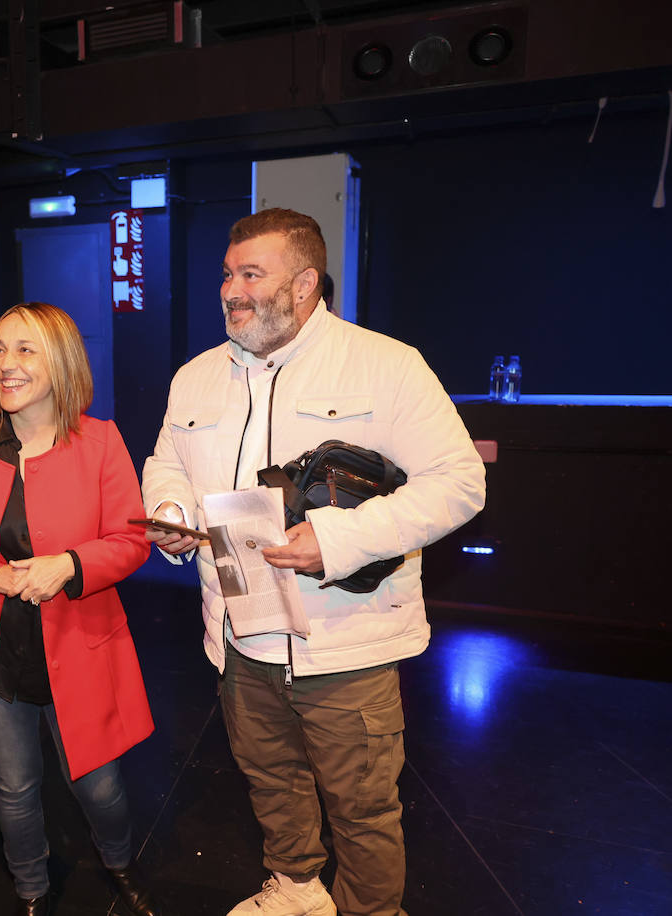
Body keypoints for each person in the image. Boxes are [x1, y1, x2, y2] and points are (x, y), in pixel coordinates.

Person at [141, 209, 484, 916]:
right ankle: (296, 889)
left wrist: (336, 540)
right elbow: (167, 462)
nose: (231, 290)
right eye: (227, 275)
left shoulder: (386, 365)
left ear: (303, 284)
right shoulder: (196, 377)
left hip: (346, 643)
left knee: (362, 809)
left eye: (250, 275)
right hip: (239, 636)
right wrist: (171, 515)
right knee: (271, 780)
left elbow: (459, 483)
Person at [0, 302, 161, 916]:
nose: (7, 364)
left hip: (78, 645)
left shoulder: (101, 443)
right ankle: (30, 888)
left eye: (25, 349)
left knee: (99, 785)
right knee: (14, 787)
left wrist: (70, 566)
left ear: (62, 359)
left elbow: (131, 542)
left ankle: (118, 860)